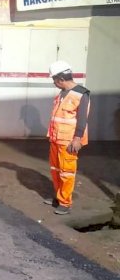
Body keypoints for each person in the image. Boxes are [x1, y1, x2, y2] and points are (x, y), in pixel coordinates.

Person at [44, 60, 90, 215]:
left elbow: (82, 119)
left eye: (54, 80)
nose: (54, 84)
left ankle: (65, 203)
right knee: (55, 170)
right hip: (56, 138)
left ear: (61, 79)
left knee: (66, 172)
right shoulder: (62, 93)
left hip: (69, 141)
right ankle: (58, 197)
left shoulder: (81, 93)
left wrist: (77, 139)